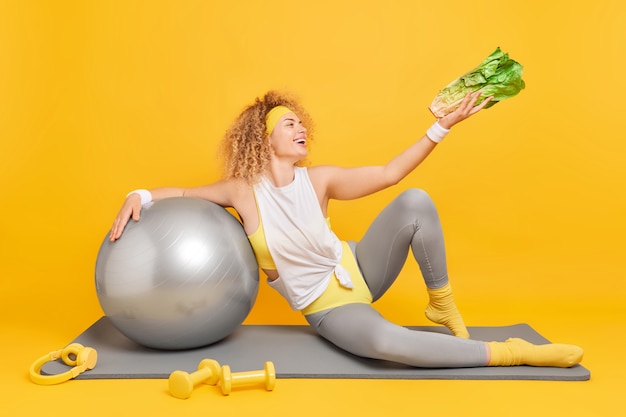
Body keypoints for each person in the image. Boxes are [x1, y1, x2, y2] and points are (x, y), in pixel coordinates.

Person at [110, 90, 583, 368]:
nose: (301, 131)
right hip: (328, 306)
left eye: (301, 124)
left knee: (414, 202)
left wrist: (441, 128)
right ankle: (513, 353)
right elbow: (185, 195)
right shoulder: (242, 192)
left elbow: (389, 174)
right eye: (290, 124)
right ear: (264, 137)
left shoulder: (319, 179)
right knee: (383, 344)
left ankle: (442, 306)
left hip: (360, 267)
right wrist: (141, 194)